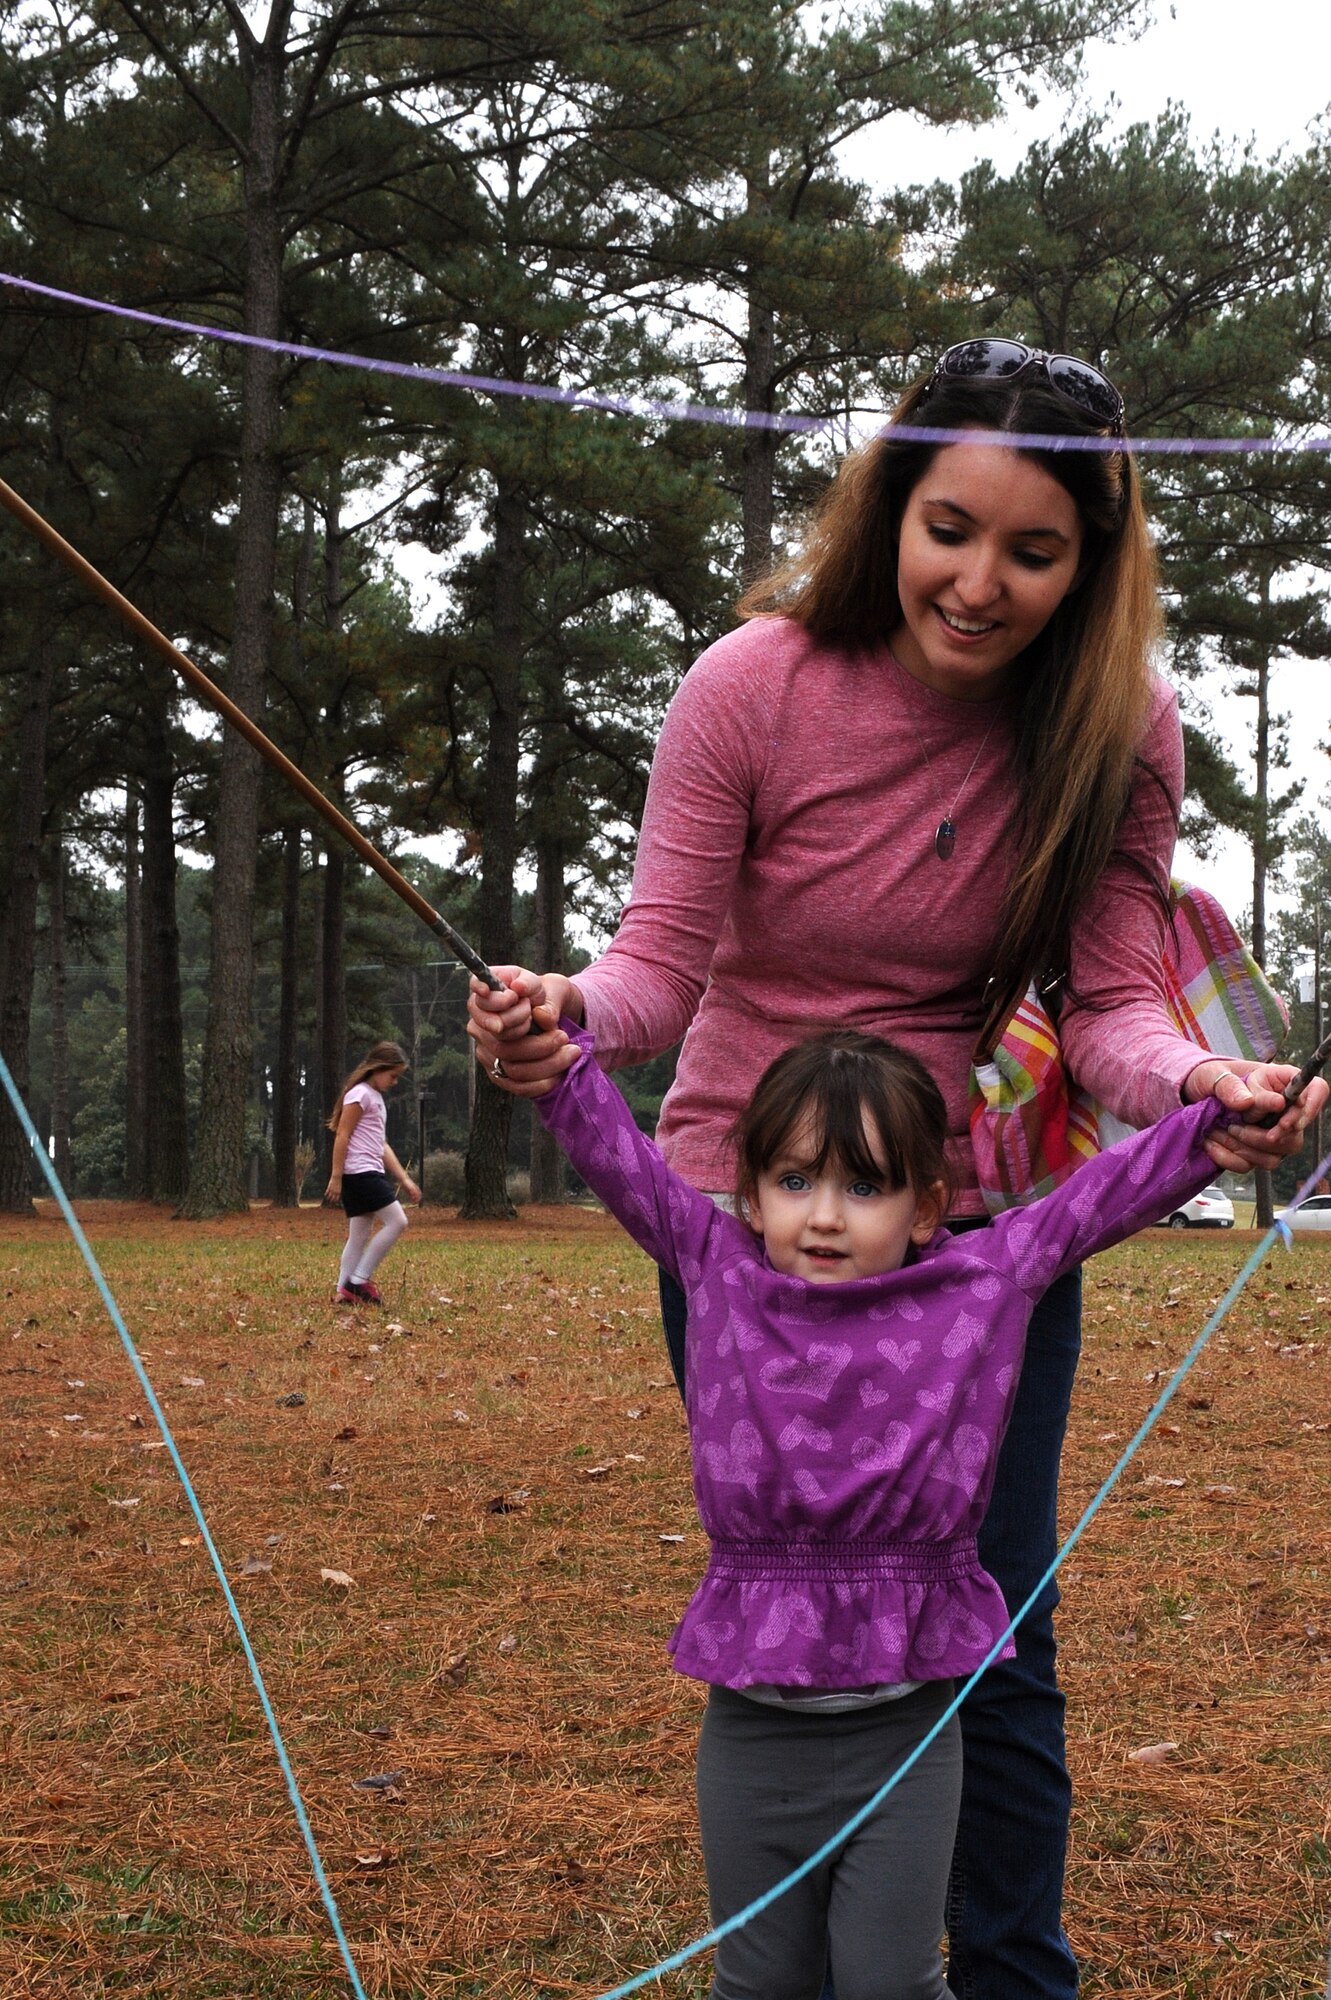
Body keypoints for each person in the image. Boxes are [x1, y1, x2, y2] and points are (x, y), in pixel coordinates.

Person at [466, 340, 1327, 1996]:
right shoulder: (752, 684)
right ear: (888, 506)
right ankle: (787, 1938)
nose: (981, 582)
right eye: (950, 527)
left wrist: (1199, 1084)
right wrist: (566, 1017)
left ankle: (1005, 1972)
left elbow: (1113, 1009)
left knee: (994, 1627)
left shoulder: (1114, 727)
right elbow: (656, 971)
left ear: (1092, 562)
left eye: (1033, 549)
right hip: (738, 1203)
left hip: (972, 1225)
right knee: (791, 1585)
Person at [526, 1016, 1227, 2000]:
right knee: (757, 1982)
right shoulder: (714, 1264)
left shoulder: (982, 1277)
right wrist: (554, 1054)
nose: (821, 1213)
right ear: (751, 1188)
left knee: (886, 1981)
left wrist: (1213, 1128)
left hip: (905, 1736)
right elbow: (616, 1153)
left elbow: (1093, 1202)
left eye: (862, 1186)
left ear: (925, 1204)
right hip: (750, 1736)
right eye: (793, 1179)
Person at [324, 1040, 420, 1304]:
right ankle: (358, 1281)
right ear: (378, 1068)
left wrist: (405, 1179)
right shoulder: (360, 1094)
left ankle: (344, 1290)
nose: (395, 1081)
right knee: (398, 1221)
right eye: (393, 1075)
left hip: (368, 1171)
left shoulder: (374, 1097)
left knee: (359, 1235)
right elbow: (342, 1135)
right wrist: (336, 1175)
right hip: (360, 1172)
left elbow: (381, 1144)